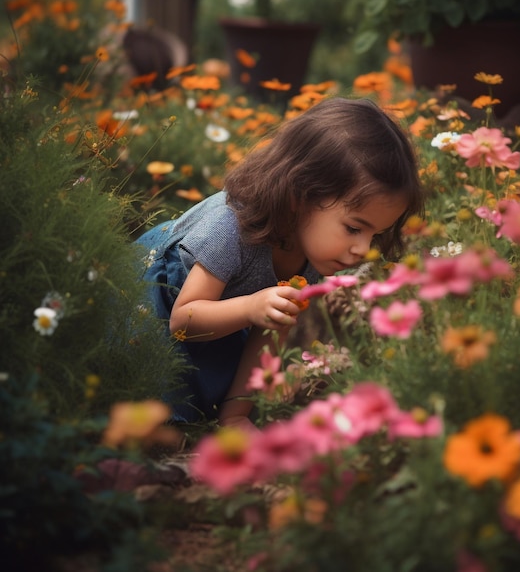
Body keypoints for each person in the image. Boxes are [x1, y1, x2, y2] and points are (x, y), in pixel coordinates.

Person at [136, 96, 424, 430]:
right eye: (354, 228)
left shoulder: (318, 251)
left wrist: (236, 416)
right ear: (298, 196)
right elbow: (182, 322)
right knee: (155, 409)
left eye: (376, 235)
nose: (363, 249)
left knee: (208, 401)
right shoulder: (229, 228)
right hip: (157, 300)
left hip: (220, 318)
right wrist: (250, 307)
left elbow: (268, 334)